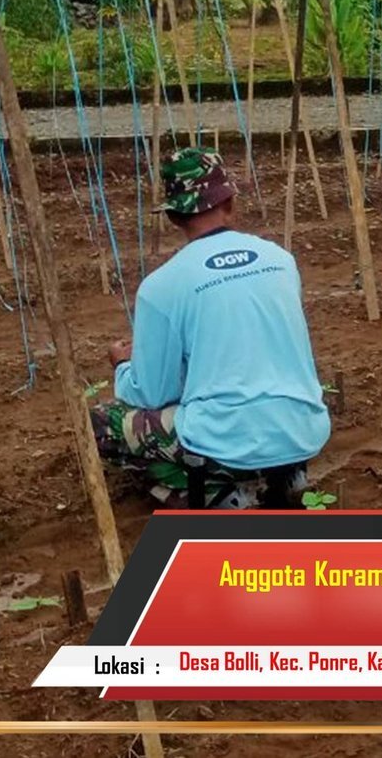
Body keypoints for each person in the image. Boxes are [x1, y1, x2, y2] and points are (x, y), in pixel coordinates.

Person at [90, 148, 330, 508]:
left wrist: (123, 366)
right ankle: (287, 478)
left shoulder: (161, 286)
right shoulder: (281, 261)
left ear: (172, 216)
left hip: (224, 439)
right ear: (230, 203)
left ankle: (218, 495)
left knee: (102, 424)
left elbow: (150, 394)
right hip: (303, 428)